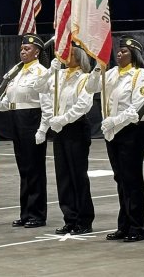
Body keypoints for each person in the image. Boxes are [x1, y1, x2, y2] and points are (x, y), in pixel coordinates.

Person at [86, 35, 144, 242]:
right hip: (112, 131)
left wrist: (114, 122)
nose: (119, 53)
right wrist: (98, 67)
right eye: (119, 50)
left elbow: (138, 107)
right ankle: (123, 225)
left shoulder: (140, 75)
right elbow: (90, 88)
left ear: (134, 55)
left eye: (124, 51)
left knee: (132, 178)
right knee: (120, 179)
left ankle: (137, 226)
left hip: (132, 130)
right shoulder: (111, 73)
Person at [0, 33, 52, 228]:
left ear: (37, 52)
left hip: (32, 120)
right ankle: (26, 212)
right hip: (16, 120)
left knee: (35, 169)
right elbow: (10, 102)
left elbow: (46, 105)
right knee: (24, 169)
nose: (23, 51)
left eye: (27, 48)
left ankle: (37, 214)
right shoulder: (16, 71)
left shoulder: (40, 73)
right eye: (22, 48)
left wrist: (43, 129)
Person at [34, 45, 95, 235]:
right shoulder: (59, 76)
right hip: (59, 129)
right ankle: (70, 218)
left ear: (79, 58)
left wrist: (64, 119)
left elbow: (83, 104)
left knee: (78, 175)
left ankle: (84, 219)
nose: (65, 56)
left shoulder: (85, 78)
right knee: (63, 176)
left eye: (69, 53)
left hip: (75, 127)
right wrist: (50, 70)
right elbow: (38, 87)